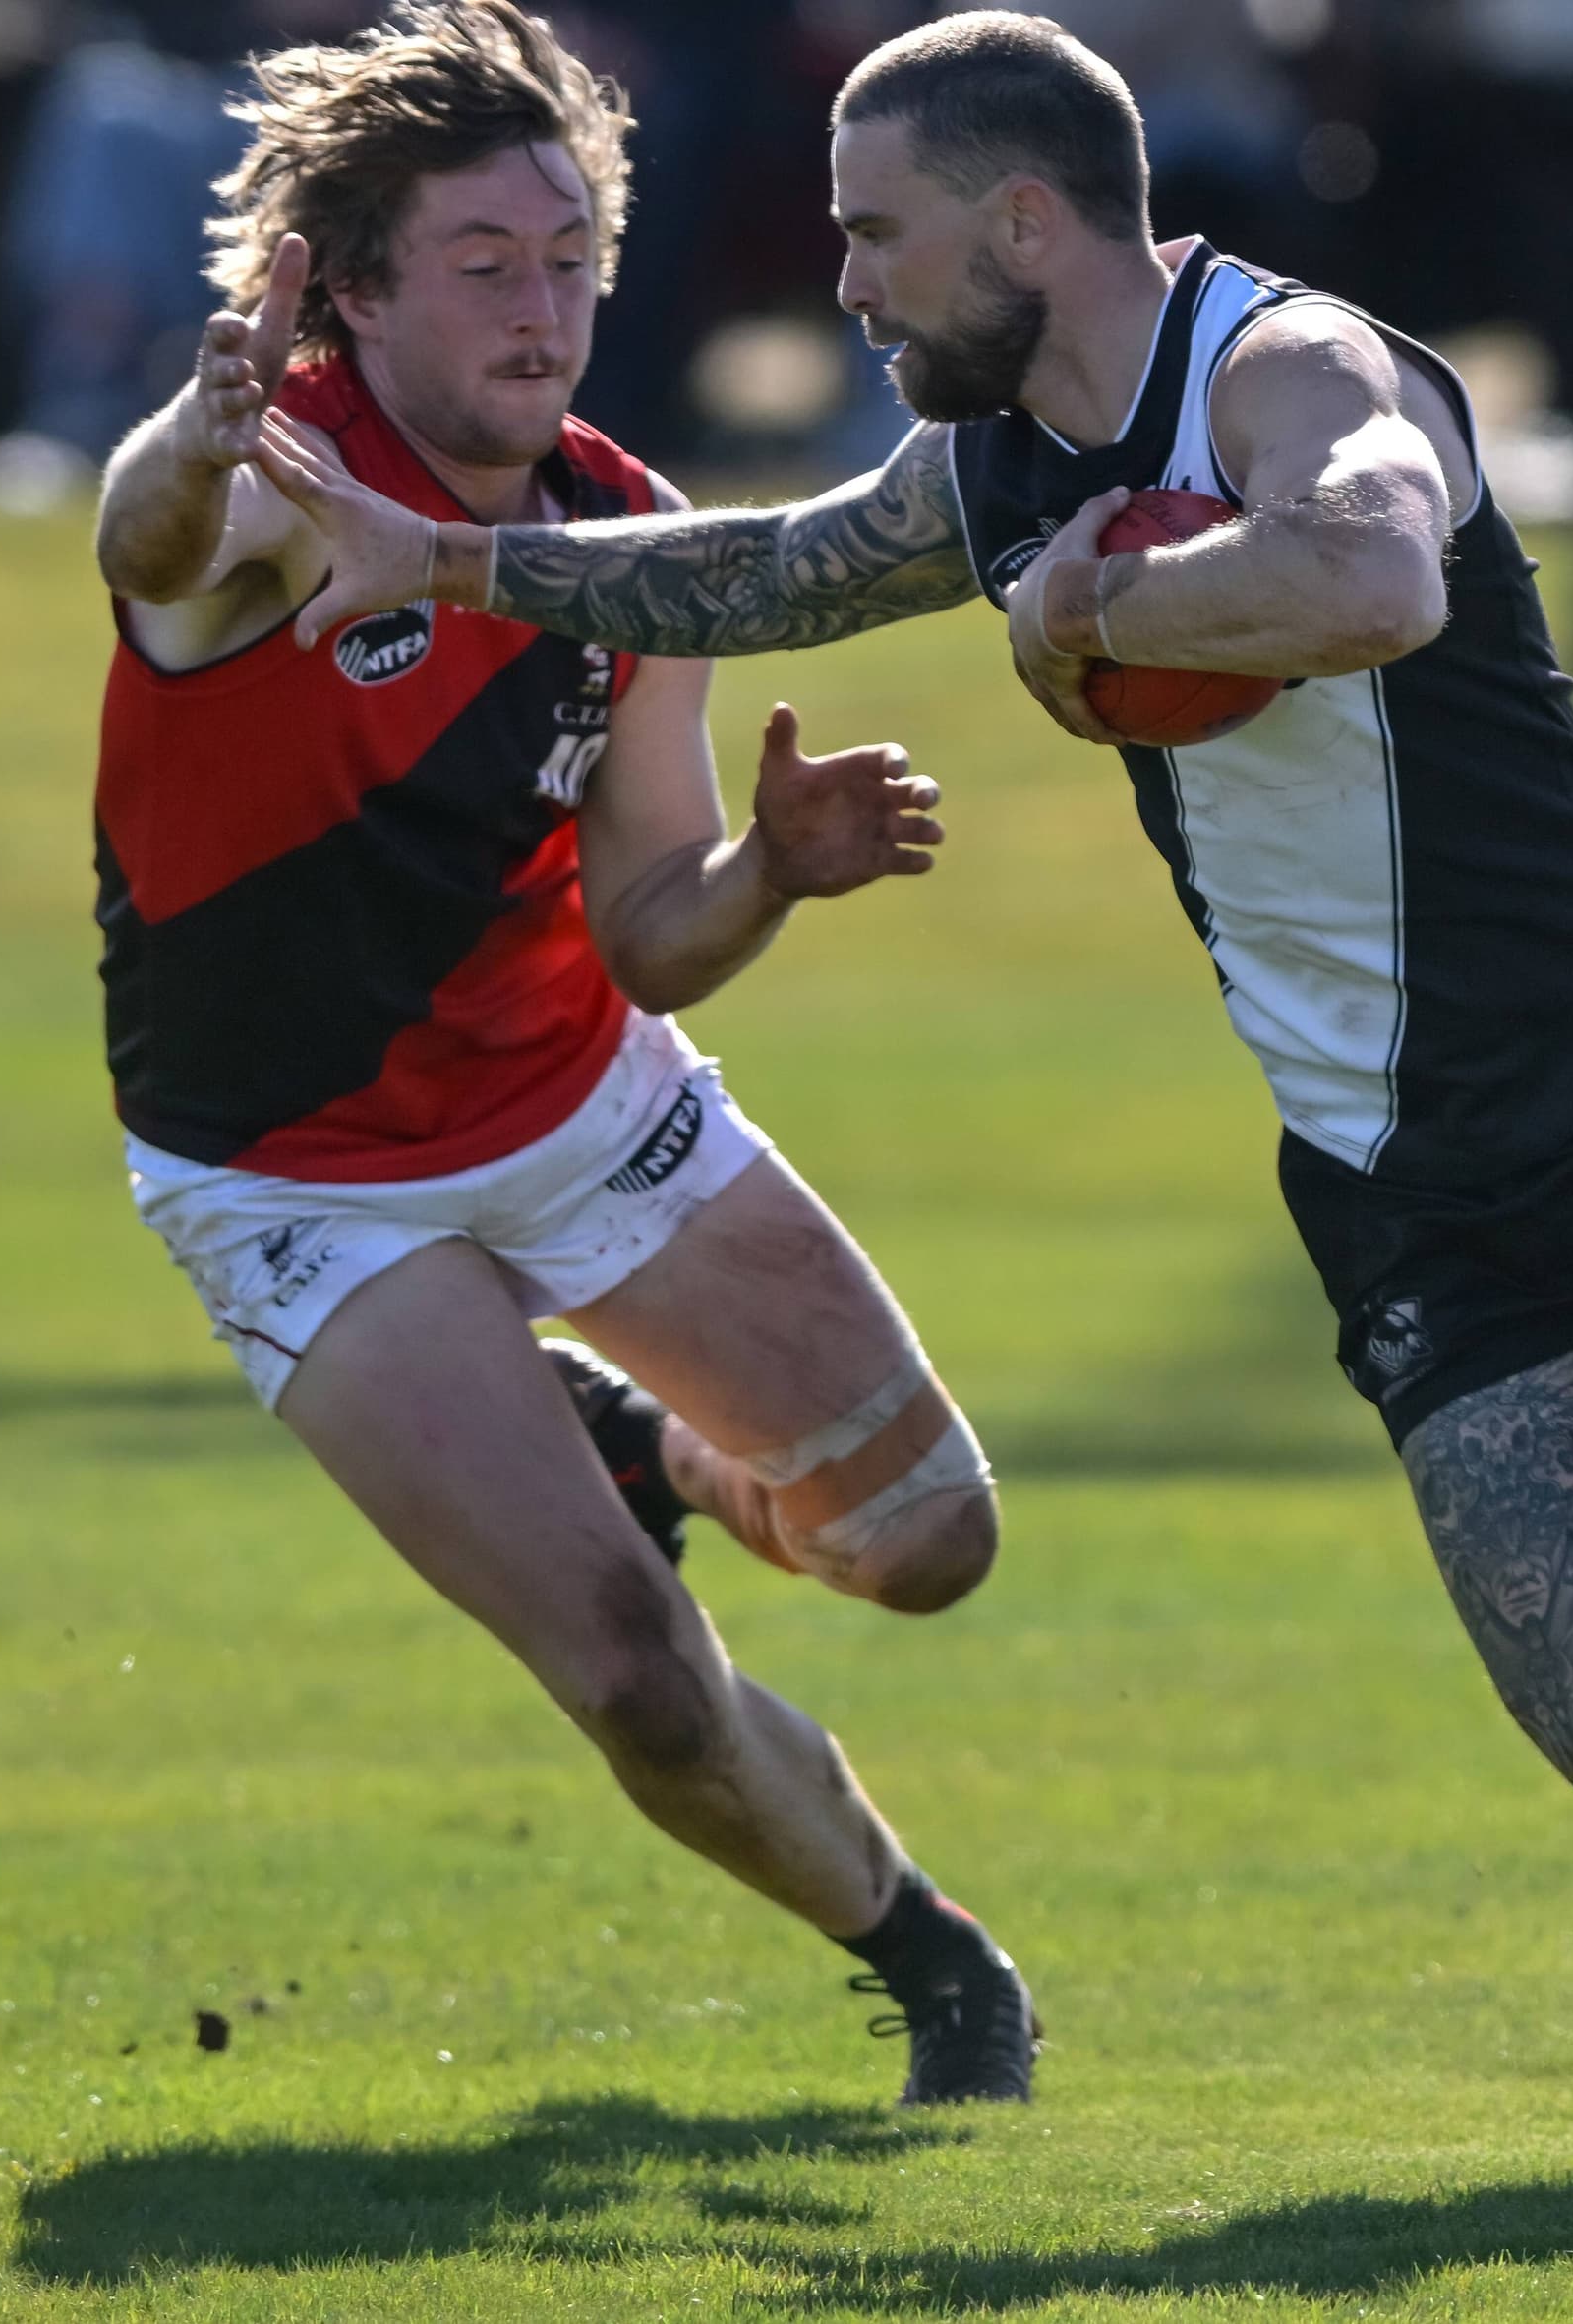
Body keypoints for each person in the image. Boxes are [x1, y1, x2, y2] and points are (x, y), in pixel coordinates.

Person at [252, 11, 1573, 2176]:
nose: (845, 281)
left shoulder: (1294, 373)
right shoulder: (985, 465)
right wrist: (458, 566)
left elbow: (1376, 573)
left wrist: (1111, 605)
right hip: (1395, 1170)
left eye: (882, 235)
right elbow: (773, 573)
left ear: (1024, 221)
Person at [87, 0, 1035, 2104]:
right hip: (297, 1186)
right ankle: (928, 1955)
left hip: (586, 1111)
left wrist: (771, 873)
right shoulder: (271, 484)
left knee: (933, 1547)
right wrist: (192, 425)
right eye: (487, 265)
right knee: (638, 1675)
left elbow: (649, 932)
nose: (546, 308)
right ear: (349, 289)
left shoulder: (617, 528)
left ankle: (658, 1445)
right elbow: (146, 542)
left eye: (573, 259)